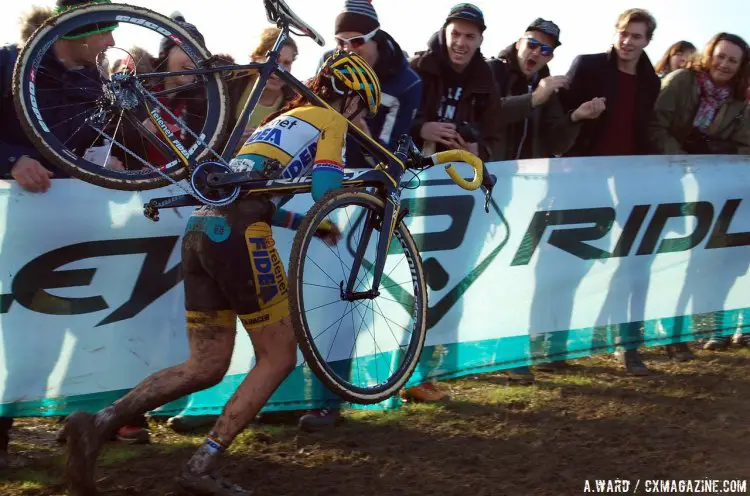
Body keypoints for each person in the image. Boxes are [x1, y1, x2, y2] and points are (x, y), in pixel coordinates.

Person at [63, 50, 381, 496]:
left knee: (206, 364)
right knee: (279, 357)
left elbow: (250, 193)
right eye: (362, 111)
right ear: (350, 100)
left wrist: (304, 224)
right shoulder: (331, 121)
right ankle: (202, 464)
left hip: (202, 228)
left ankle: (98, 424)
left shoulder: (279, 123)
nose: (361, 120)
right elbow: (326, 189)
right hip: (238, 234)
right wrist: (355, 182)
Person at [298, 0, 423, 431]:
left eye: (357, 41)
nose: (348, 49)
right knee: (297, 291)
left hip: (372, 187)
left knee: (343, 296)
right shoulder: (330, 63)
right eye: (341, 41)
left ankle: (328, 401)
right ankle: (283, 396)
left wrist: (356, 126)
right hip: (322, 179)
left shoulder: (407, 82)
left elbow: (391, 157)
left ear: (376, 37)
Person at [166, 27, 299, 434]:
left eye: (292, 64)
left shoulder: (292, 105)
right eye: (278, 60)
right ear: (260, 57)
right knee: (271, 355)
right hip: (223, 212)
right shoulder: (238, 83)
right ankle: (208, 448)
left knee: (207, 363)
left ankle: (103, 422)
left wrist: (296, 220)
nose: (283, 71)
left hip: (235, 215)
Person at [488, 18, 605, 384]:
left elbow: (556, 142)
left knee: (514, 274)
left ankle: (510, 352)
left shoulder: (548, 85)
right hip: (485, 188)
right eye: (534, 44)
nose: (538, 53)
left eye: (547, 49)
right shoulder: (490, 70)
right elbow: (488, 115)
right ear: (519, 41)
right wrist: (534, 98)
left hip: (527, 194)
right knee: (485, 274)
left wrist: (575, 116)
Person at [405, 2, 502, 402]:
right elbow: (387, 119)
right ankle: (391, 372)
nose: (461, 43)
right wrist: (422, 127)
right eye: (456, 34)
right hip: (413, 183)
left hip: (458, 189)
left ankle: (424, 376)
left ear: (481, 40)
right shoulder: (417, 68)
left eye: (470, 36)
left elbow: (497, 139)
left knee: (444, 282)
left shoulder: (487, 79)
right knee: (403, 283)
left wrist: (478, 146)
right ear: (445, 32)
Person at [559, 8, 661, 375]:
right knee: (569, 262)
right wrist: (578, 115)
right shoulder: (587, 66)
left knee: (635, 266)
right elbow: (555, 119)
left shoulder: (652, 82)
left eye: (636, 36)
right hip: (583, 179)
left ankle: (628, 346)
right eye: (623, 33)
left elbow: (649, 130)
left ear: (648, 41)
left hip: (633, 183)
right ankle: (553, 348)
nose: (628, 42)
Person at [649, 33, 750, 356]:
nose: (724, 64)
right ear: (710, 54)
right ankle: (662, 332)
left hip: (712, 190)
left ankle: (683, 333)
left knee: (704, 262)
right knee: (669, 260)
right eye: (720, 56)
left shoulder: (738, 100)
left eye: (733, 61)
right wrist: (683, 159)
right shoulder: (682, 81)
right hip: (668, 179)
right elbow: (655, 124)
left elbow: (742, 144)